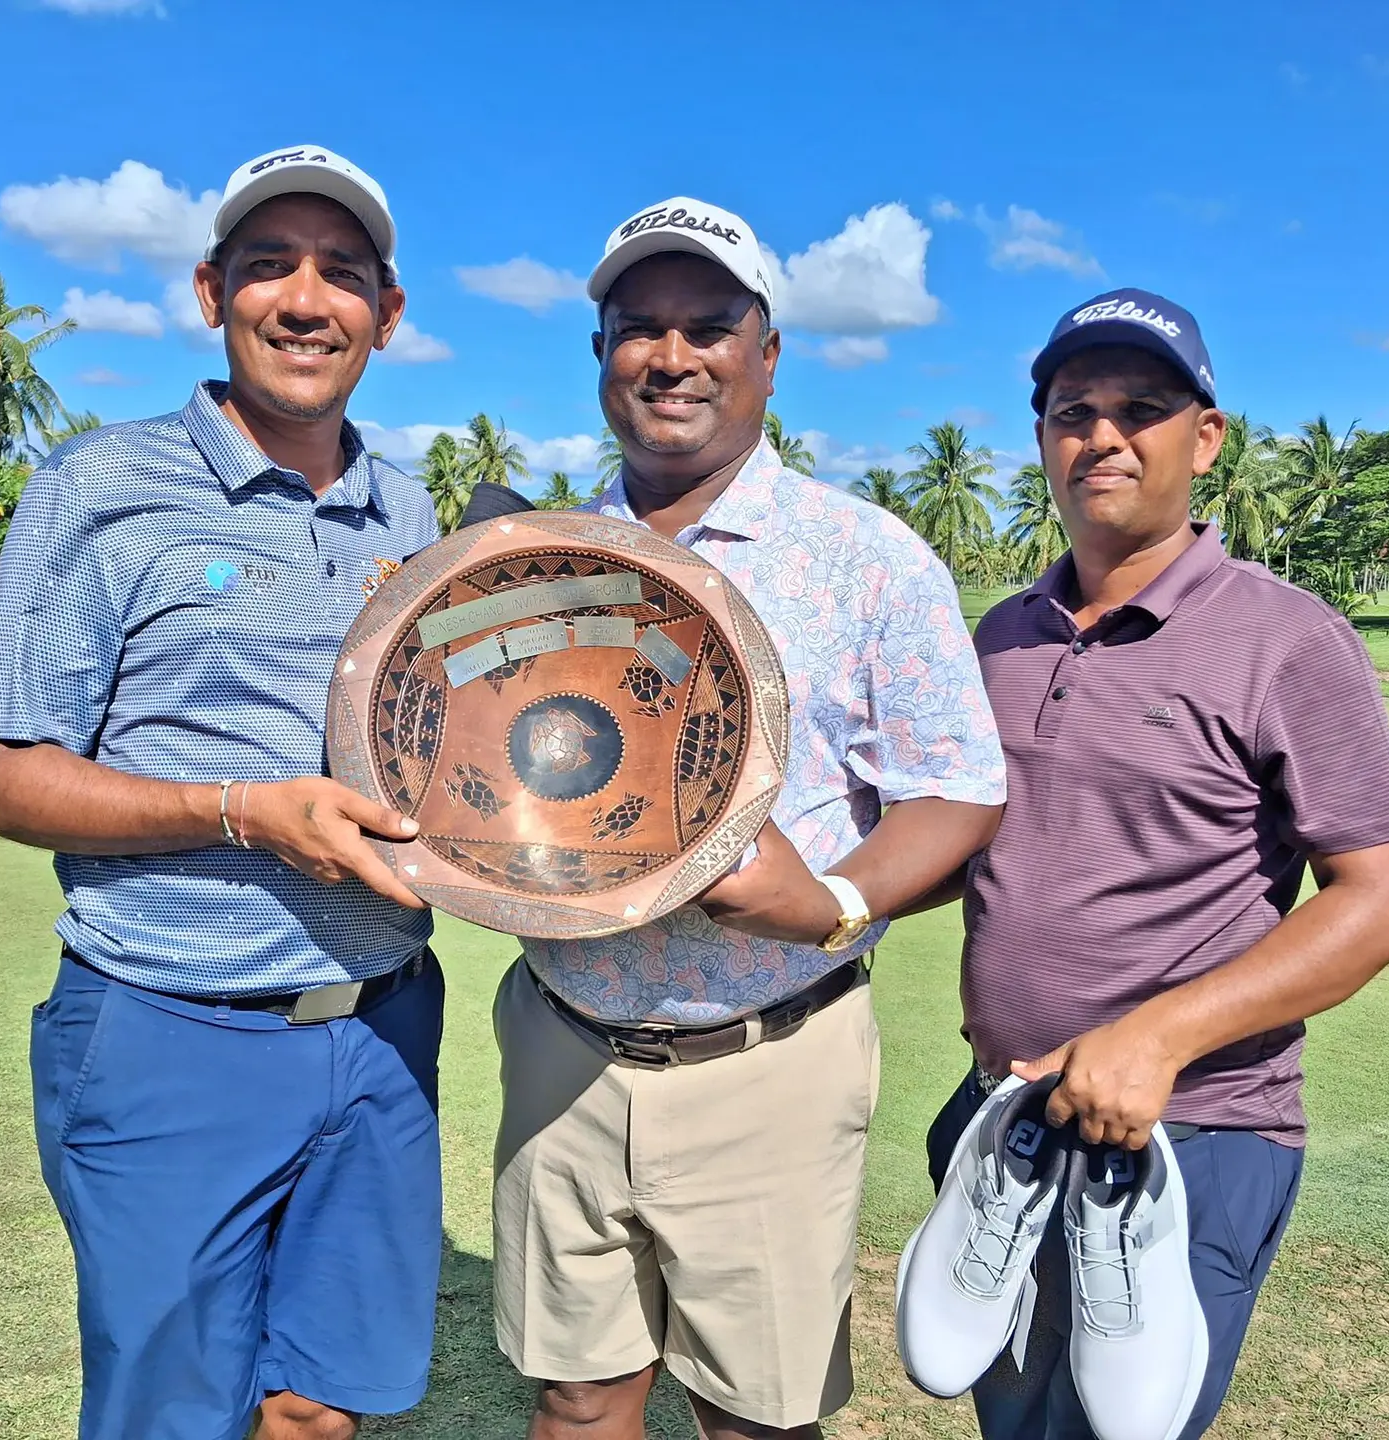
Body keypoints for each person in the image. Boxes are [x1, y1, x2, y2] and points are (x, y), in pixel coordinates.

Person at [491, 196, 1009, 1440]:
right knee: (577, 1393)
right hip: (567, 1035)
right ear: (603, 353)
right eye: (638, 329)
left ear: (766, 353)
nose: (673, 357)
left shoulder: (867, 557)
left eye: (709, 326)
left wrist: (833, 900)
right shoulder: (539, 559)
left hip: (767, 1050)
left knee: (756, 1418)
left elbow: (960, 787)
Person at [0, 145, 443, 1440]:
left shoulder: (412, 508)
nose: (303, 299)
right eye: (267, 265)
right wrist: (245, 812)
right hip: (174, 1028)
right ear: (209, 291)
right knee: (175, 1416)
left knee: (323, 1407)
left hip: (385, 1024)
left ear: (386, 316)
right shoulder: (104, 487)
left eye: (341, 273)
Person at [929, 288, 1389, 1439]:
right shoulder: (1003, 634)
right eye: (1073, 410)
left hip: (1191, 1134)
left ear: (1205, 439)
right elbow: (969, 848)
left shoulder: (1288, 638)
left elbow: (1384, 900)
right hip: (1007, 1120)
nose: (1101, 436)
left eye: (1141, 408)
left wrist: (1154, 1038)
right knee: (1010, 1418)